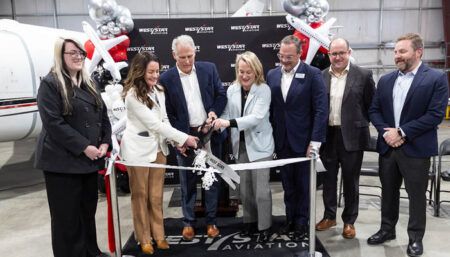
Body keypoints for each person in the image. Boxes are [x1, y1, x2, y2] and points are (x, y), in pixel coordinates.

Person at [368, 33, 448, 257]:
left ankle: (415, 238)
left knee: (416, 195)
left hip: (416, 149)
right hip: (388, 147)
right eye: (395, 52)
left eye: (402, 51)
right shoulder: (386, 80)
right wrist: (387, 133)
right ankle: (387, 230)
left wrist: (402, 132)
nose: (397, 56)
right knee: (388, 192)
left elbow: (435, 115)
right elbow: (374, 110)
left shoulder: (435, 78)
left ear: (418, 52)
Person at [34, 37, 111, 257]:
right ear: (61, 56)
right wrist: (85, 147)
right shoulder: (51, 83)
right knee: (66, 220)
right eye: (72, 53)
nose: (78, 57)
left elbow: (102, 115)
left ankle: (90, 252)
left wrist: (105, 141)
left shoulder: (89, 82)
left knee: (87, 213)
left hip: (89, 162)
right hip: (62, 163)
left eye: (81, 54)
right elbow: (53, 123)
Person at [120, 52, 198, 255]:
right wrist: (185, 138)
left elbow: (164, 121)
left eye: (157, 71)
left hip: (159, 150)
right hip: (137, 151)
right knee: (140, 196)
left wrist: (176, 142)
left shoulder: (159, 90)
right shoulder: (132, 95)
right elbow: (153, 124)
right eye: (151, 72)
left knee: (155, 197)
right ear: (139, 72)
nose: (155, 76)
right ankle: (144, 238)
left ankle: (159, 235)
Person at [159, 35, 227, 241]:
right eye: (182, 57)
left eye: (190, 56)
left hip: (208, 135)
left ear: (195, 52)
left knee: (210, 180)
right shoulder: (166, 79)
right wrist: (178, 139)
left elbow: (221, 95)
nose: (187, 61)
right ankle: (188, 222)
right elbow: (166, 113)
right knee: (187, 182)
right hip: (184, 137)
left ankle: (211, 221)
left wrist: (214, 112)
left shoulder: (209, 69)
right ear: (173, 56)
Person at [266, 35, 328, 241]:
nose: (284, 60)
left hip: (305, 143)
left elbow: (321, 110)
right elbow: (272, 109)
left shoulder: (313, 74)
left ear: (300, 53)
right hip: (281, 141)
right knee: (287, 185)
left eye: (289, 57)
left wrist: (315, 141)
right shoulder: (272, 75)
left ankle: (302, 222)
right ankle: (290, 219)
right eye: (281, 56)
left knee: (304, 186)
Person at [315, 38, 375, 239]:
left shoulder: (364, 75)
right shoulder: (321, 76)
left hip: (353, 137)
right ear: (329, 55)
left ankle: (349, 221)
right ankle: (329, 216)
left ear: (349, 52)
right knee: (328, 181)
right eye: (334, 53)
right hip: (328, 136)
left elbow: (371, 105)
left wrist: (359, 122)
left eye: (342, 53)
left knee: (351, 181)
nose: (338, 57)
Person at [213, 51, 274, 243]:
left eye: (248, 72)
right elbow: (225, 113)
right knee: (245, 190)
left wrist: (227, 123)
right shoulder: (232, 89)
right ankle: (249, 222)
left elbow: (256, 118)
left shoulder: (264, 89)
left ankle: (265, 226)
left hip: (261, 147)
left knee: (261, 191)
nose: (244, 76)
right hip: (239, 146)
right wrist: (216, 119)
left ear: (256, 72)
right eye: (241, 71)